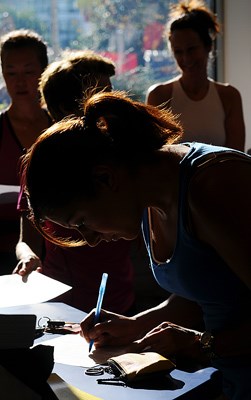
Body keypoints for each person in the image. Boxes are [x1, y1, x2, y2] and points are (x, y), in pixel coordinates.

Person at [20, 90, 251, 400]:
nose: (90, 240)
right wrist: (138, 324)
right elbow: (211, 290)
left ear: (105, 178)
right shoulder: (147, 199)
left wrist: (203, 344)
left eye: (82, 223)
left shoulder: (214, 187)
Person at [14, 50, 136, 315]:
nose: (111, 106)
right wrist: (27, 256)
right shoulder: (41, 165)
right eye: (100, 98)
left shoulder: (121, 157)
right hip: (62, 301)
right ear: (63, 110)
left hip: (120, 295)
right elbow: (27, 239)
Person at [146, 0, 245, 152]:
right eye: (178, 52)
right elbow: (152, 158)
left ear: (208, 47)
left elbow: (235, 160)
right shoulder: (159, 95)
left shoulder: (229, 96)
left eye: (192, 49)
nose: (186, 59)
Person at [0, 29, 51, 274]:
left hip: (58, 249)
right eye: (11, 73)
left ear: (44, 72)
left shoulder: (59, 127)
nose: (19, 82)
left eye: (28, 72)